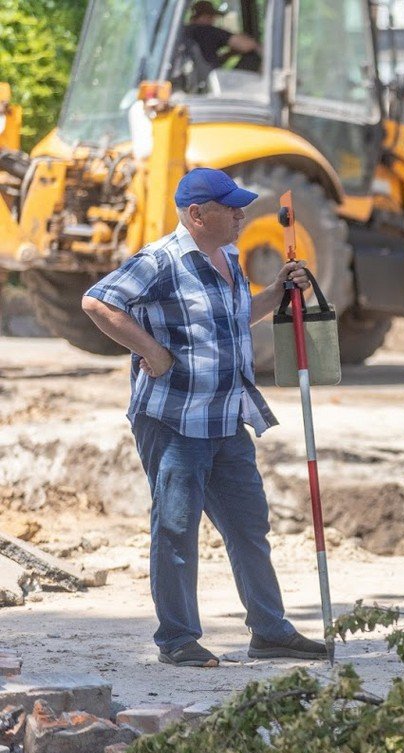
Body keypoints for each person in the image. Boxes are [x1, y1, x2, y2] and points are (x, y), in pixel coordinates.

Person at [81, 168, 328, 668]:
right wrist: (151, 351)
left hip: (225, 418)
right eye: (230, 207)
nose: (241, 216)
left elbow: (235, 317)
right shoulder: (161, 260)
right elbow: (97, 301)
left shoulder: (229, 257)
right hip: (174, 421)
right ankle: (176, 639)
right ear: (197, 214)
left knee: (248, 525)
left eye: (241, 206)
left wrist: (278, 291)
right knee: (176, 527)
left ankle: (270, 630)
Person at [183, 0, 260, 70]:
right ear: (206, 16)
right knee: (253, 57)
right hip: (209, 81)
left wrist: (229, 54)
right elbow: (248, 45)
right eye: (212, 17)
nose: (213, 21)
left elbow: (206, 61)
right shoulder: (207, 30)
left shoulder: (184, 32)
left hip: (193, 80)